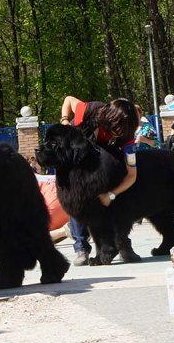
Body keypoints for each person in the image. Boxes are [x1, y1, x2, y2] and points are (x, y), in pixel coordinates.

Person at [60, 96, 140, 265]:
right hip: (77, 160)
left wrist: (110, 195)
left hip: (103, 161)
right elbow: (68, 100)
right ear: (107, 118)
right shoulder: (91, 110)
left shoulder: (128, 136)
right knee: (77, 200)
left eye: (122, 131)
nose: (118, 133)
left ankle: (123, 243)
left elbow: (132, 174)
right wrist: (65, 120)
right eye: (115, 129)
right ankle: (81, 246)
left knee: (118, 200)